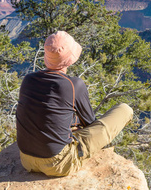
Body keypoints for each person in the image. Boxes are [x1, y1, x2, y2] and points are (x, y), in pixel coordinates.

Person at [16, 31, 133, 177]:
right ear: (70, 58)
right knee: (125, 109)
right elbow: (90, 123)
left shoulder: (28, 79)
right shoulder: (73, 84)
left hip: (27, 160)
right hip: (58, 164)